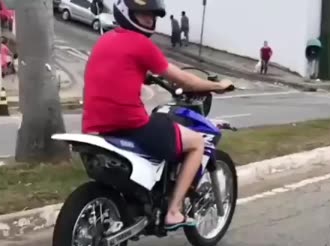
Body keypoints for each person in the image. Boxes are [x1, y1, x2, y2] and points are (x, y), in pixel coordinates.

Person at [82, 0, 233, 230]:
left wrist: (143, 75)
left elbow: (119, 70)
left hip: (95, 126)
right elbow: (184, 80)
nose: (149, 20)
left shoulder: (105, 40)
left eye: (152, 16)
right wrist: (217, 86)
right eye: (143, 15)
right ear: (127, 12)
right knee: (196, 143)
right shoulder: (141, 44)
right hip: (130, 125)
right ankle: (173, 211)